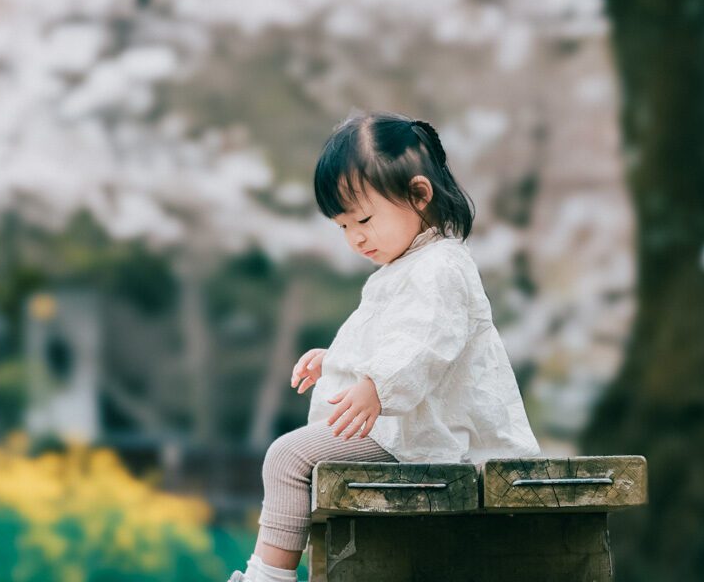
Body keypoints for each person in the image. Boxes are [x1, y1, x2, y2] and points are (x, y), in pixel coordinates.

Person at [228, 108, 540, 582]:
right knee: (300, 465)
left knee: (288, 457)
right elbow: (393, 339)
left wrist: (379, 384)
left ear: (418, 194)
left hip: (423, 436)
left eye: (364, 219)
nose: (355, 238)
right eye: (343, 227)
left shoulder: (441, 267)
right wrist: (337, 362)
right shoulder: (405, 268)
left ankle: (267, 577)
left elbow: (426, 346)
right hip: (403, 429)